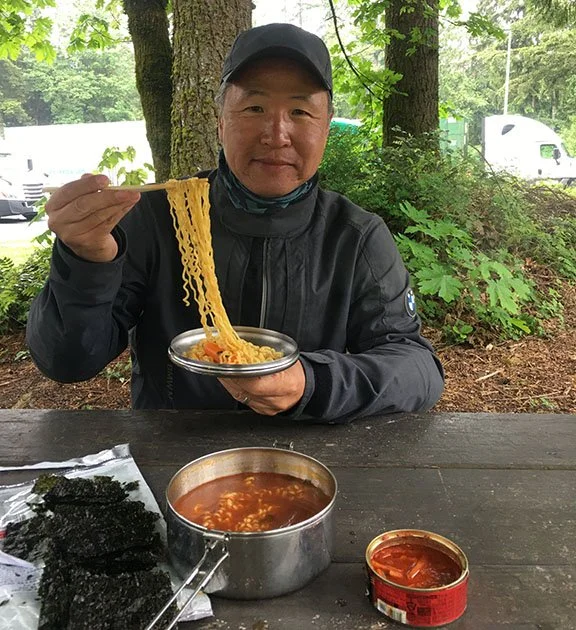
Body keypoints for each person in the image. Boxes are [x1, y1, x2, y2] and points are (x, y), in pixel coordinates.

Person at [26, 23, 444, 422]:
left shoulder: (355, 237)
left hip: (305, 454)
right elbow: (67, 362)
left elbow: (416, 369)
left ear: (326, 129)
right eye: (255, 107)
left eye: (300, 111)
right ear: (220, 121)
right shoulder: (156, 218)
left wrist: (311, 383)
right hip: (173, 451)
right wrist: (86, 260)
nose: (276, 133)